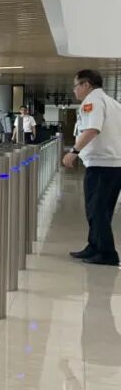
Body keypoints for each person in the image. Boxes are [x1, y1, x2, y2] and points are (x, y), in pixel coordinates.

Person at [64, 69, 121, 266]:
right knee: (102, 210)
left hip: (102, 164)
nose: (74, 90)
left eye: (76, 86)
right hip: (113, 164)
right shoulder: (111, 102)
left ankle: (107, 254)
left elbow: (92, 129)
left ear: (86, 84)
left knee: (96, 209)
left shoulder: (92, 102)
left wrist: (73, 151)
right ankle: (94, 246)